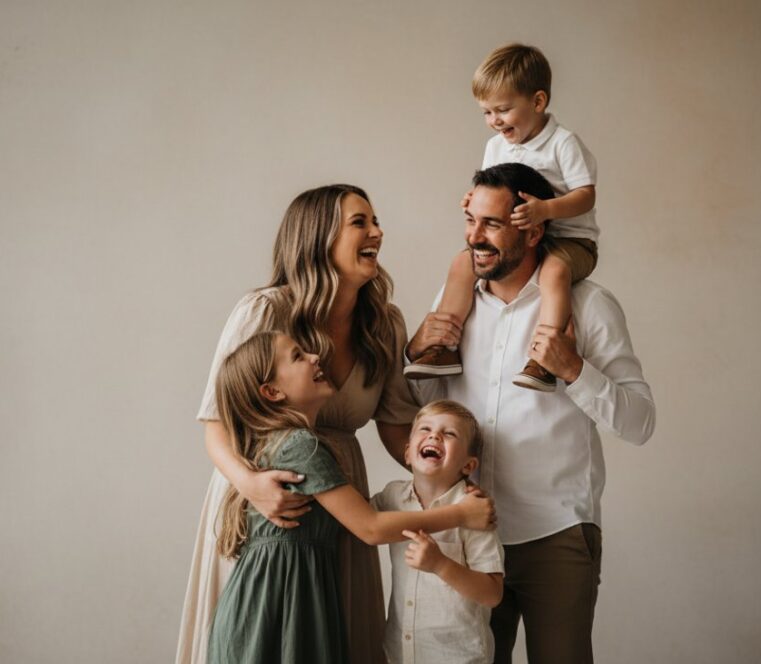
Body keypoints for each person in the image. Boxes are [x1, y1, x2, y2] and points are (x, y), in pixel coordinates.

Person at [406, 163, 656, 664]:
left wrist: (574, 370)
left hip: (556, 535)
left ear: (534, 229)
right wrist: (414, 353)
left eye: (492, 224)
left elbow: (640, 422)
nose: (475, 237)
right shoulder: (453, 303)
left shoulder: (589, 306)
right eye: (471, 221)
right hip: (467, 533)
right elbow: (428, 405)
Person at [177, 185, 422, 664]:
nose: (377, 232)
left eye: (375, 221)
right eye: (360, 222)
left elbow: (397, 428)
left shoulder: (384, 324)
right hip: (263, 496)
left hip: (340, 499)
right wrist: (252, 485)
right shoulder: (266, 310)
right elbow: (216, 423)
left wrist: (446, 479)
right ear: (318, 237)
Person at [206, 332, 496, 664]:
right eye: (298, 356)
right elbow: (370, 527)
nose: (315, 356)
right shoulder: (301, 446)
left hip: (277, 598)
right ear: (272, 391)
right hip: (277, 604)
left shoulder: (282, 443)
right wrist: (460, 514)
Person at [404, 43, 599, 393]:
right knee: (462, 263)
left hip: (569, 240)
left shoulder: (563, 143)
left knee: (554, 270)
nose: (494, 120)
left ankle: (545, 356)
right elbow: (491, 187)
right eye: (486, 112)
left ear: (537, 102)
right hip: (518, 243)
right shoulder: (496, 146)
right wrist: (474, 198)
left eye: (504, 110)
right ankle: (443, 346)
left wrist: (546, 210)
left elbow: (586, 195)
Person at [371, 400, 504, 664]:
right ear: (407, 453)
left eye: (449, 433)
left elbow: (492, 594)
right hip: (400, 652)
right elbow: (360, 522)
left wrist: (440, 564)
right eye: (425, 429)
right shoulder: (392, 497)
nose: (434, 436)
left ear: (468, 465)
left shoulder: (474, 512)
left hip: (458, 656)